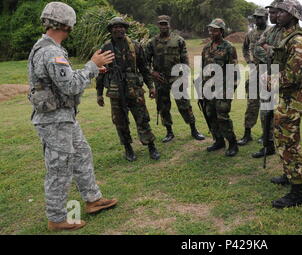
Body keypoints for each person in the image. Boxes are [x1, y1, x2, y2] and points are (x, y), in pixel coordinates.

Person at [28, 1, 118, 231]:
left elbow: (62, 81)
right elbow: (69, 86)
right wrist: (92, 66)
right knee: (60, 167)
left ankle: (92, 199)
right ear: (67, 25)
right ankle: (57, 218)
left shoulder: (48, 48)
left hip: (63, 117)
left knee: (81, 153)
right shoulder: (51, 51)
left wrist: (92, 69)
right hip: (55, 120)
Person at [96, 17, 160, 162]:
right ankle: (128, 148)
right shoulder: (105, 48)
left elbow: (144, 68)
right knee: (120, 121)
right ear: (111, 30)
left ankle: (151, 146)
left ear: (125, 29)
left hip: (134, 89)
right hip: (116, 90)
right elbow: (100, 71)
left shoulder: (136, 46)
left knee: (142, 117)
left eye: (121, 26)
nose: (119, 29)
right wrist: (99, 94)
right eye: (115, 27)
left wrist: (151, 86)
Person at [269, 0, 302, 208]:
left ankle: (297, 192)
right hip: (286, 97)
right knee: (282, 137)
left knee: (289, 141)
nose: (277, 15)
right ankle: (289, 175)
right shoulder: (287, 37)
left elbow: (293, 77)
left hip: (292, 98)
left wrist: (268, 81)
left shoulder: (297, 41)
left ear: (293, 15)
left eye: (282, 13)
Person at [145, 15, 205, 143]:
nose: (163, 26)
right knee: (163, 106)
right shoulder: (152, 42)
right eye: (161, 24)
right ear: (158, 25)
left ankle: (194, 129)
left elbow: (185, 59)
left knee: (185, 104)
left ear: (169, 25)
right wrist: (152, 72)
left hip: (177, 78)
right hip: (160, 79)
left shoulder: (179, 40)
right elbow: (145, 62)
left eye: (165, 24)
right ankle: (169, 132)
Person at [201, 18, 239, 157]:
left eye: (215, 30)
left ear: (221, 31)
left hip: (222, 89)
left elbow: (234, 71)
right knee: (210, 115)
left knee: (222, 117)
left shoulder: (229, 47)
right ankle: (218, 141)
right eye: (210, 29)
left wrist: (229, 90)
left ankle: (232, 143)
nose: (211, 32)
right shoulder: (206, 48)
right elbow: (203, 68)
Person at [251, 0, 284, 158]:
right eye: (269, 12)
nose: (271, 15)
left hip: (285, 80)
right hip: (269, 75)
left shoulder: (289, 32)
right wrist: (272, 53)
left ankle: (283, 146)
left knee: (283, 115)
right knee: (266, 112)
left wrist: (273, 52)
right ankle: (268, 144)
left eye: (274, 12)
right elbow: (258, 45)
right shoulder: (271, 32)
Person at [237, 8, 268, 147]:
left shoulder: (272, 33)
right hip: (255, 71)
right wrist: (248, 61)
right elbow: (244, 49)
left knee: (267, 105)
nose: (257, 20)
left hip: (268, 72)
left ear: (266, 17)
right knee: (252, 104)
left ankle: (266, 134)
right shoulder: (250, 34)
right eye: (255, 17)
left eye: (260, 17)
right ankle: (247, 133)